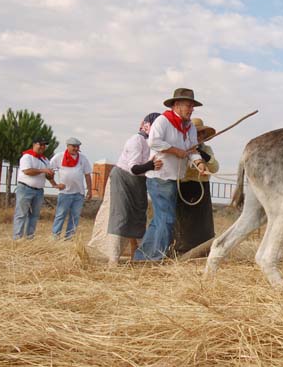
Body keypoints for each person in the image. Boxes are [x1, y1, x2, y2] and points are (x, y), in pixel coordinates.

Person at [133, 88, 208, 261]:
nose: (191, 109)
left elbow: (192, 150)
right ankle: (156, 257)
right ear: (176, 104)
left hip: (173, 177)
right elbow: (154, 141)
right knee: (166, 218)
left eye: (192, 106)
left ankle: (143, 257)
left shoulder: (189, 128)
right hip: (160, 176)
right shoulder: (163, 121)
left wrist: (199, 163)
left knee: (159, 219)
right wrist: (176, 151)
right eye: (188, 105)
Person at [87, 113, 163, 264]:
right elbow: (133, 168)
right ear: (146, 125)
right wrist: (151, 165)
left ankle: (141, 256)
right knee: (120, 216)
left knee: (139, 218)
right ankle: (113, 259)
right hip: (123, 179)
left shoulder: (155, 143)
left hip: (140, 182)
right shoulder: (136, 140)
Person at [173, 118, 220, 254]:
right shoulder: (182, 148)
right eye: (196, 134)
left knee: (202, 221)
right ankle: (181, 250)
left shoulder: (207, 149)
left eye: (201, 134)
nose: (199, 136)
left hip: (201, 188)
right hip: (184, 188)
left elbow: (215, 167)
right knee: (184, 221)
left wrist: (204, 156)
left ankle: (203, 250)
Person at [13, 137, 63, 240]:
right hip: (25, 188)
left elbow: (47, 176)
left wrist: (52, 180)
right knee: (21, 214)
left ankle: (30, 236)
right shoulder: (27, 157)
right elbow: (27, 171)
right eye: (40, 144)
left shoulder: (45, 160)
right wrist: (43, 171)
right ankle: (17, 238)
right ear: (34, 144)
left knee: (35, 215)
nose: (42, 147)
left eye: (44, 145)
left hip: (39, 190)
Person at [49, 137, 93, 240]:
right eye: (73, 146)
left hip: (79, 193)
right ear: (67, 146)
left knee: (75, 216)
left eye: (77, 146)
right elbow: (49, 171)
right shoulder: (59, 157)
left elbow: (87, 175)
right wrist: (54, 184)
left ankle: (69, 237)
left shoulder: (83, 158)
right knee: (60, 215)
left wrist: (90, 190)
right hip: (65, 192)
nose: (75, 148)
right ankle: (55, 236)